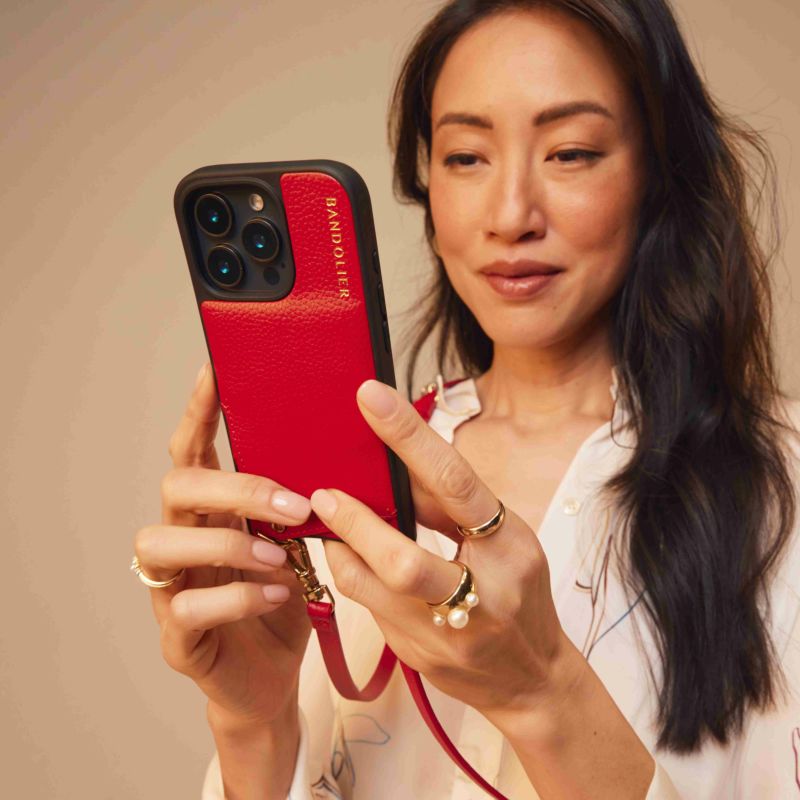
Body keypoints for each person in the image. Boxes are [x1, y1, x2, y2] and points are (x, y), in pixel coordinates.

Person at [132, 0, 800, 797]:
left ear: (659, 176)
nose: (510, 216)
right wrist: (253, 726)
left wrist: (543, 693)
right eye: (465, 157)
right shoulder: (337, 488)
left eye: (572, 152)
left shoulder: (785, 489)